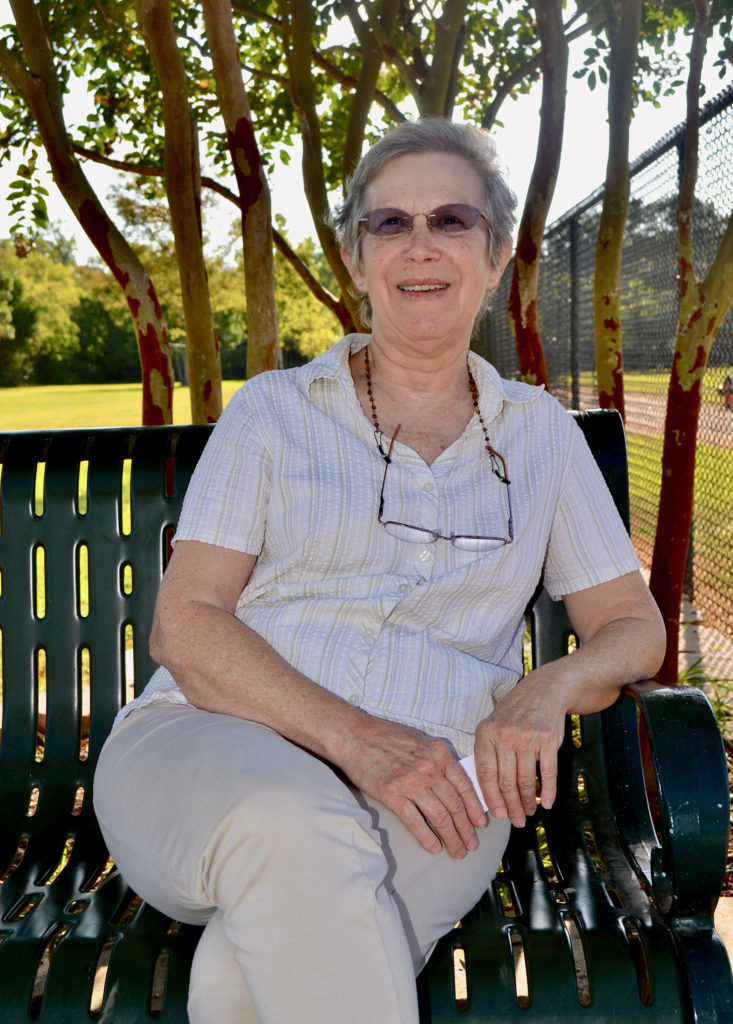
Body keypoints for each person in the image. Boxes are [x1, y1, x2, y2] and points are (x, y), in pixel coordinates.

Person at [94, 118, 665, 1024]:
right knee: (292, 822)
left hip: (443, 782)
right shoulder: (275, 412)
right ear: (357, 261)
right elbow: (187, 623)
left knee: (251, 980)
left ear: (495, 251)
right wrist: (355, 739)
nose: (419, 246)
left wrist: (547, 688)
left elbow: (633, 628)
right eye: (388, 225)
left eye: (450, 219)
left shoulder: (542, 436)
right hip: (209, 747)